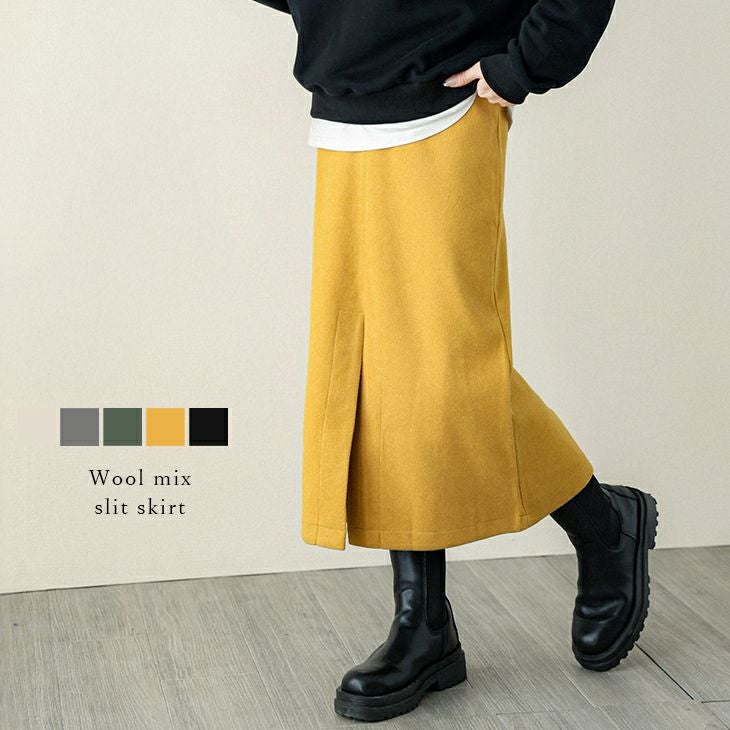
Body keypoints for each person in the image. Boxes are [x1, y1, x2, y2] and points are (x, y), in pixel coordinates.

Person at [249, 0, 659, 722]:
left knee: (445, 369)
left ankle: (603, 525)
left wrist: (526, 62)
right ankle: (424, 622)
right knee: (376, 370)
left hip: (446, 94)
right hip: (346, 96)